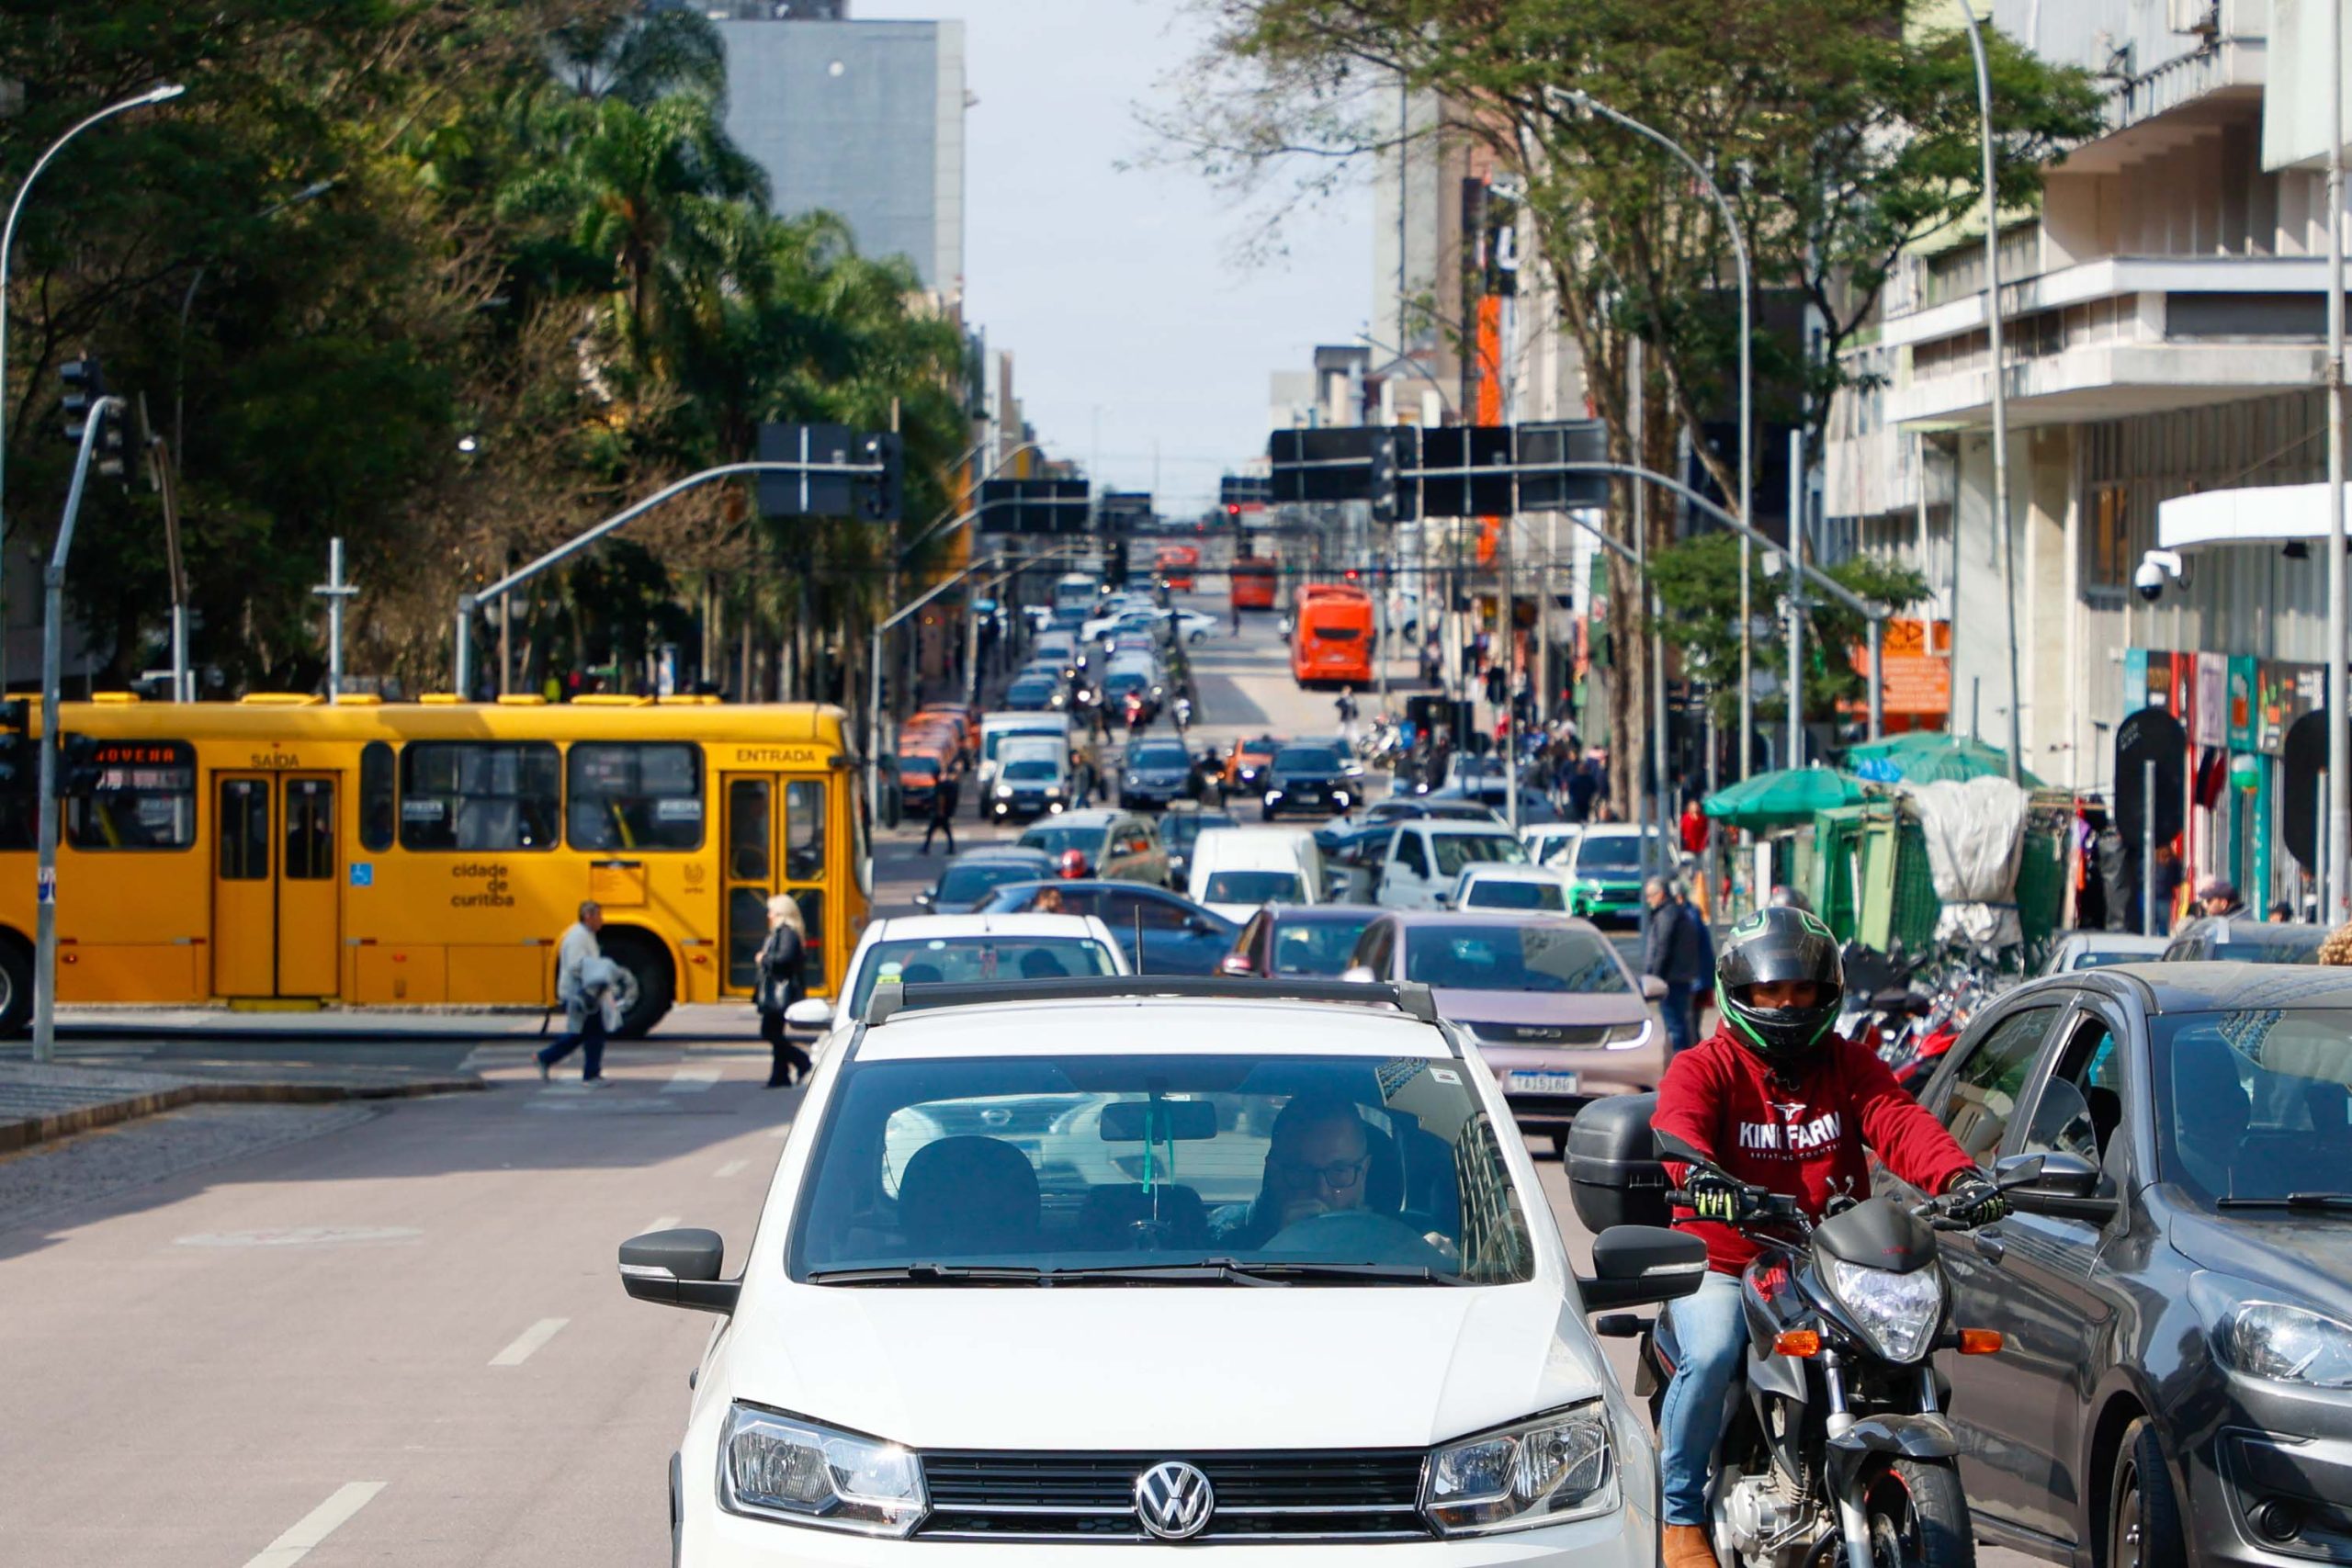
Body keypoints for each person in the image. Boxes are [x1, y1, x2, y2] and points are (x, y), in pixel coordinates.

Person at [1649, 908, 2005, 1568]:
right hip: (1726, 1258)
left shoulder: (1849, 1064)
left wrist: (1960, 1177)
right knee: (1714, 1351)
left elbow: (1898, 1120)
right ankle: (1680, 1518)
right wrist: (1701, 1178)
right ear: (1739, 992)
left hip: (1828, 1261)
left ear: (1827, 993)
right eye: (1769, 991)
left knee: (1906, 1349)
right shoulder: (1707, 1065)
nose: (1787, 1004)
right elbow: (1679, 1127)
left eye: (1801, 990)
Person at [1209, 1095, 1371, 1248]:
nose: (1321, 1191)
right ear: (1272, 1172)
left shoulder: (1385, 1247)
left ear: (1364, 1171)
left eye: (1339, 1171)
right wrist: (1283, 1244)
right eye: (1302, 1171)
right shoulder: (1227, 1240)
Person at [537, 900, 611, 1084]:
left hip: (586, 994)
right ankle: (590, 1075)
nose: (602, 920)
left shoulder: (585, 935)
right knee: (593, 1034)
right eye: (599, 916)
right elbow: (575, 965)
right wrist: (598, 973)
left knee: (582, 1033)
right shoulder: (578, 936)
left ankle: (546, 1058)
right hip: (579, 995)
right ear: (588, 916)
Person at [1642, 878, 1713, 1059]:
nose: (1648, 900)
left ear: (1661, 894)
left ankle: (1683, 1063)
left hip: (1673, 979)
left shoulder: (1669, 915)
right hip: (1684, 977)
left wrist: (1655, 978)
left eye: (1650, 895)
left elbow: (1663, 948)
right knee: (1683, 1025)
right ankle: (1691, 1060)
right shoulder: (1678, 913)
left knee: (1677, 1027)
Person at [754, 895, 812, 1089]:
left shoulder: (786, 932)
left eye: (771, 912)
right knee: (775, 1031)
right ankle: (780, 1075)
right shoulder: (782, 932)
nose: (769, 916)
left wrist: (763, 959)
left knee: (769, 1031)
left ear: (781, 913)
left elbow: (784, 959)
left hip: (781, 992)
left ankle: (801, 1061)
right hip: (779, 991)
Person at [921, 765, 959, 855]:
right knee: (945, 831)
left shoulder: (940, 786)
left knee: (932, 831)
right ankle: (950, 848)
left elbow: (941, 798)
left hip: (940, 813)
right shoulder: (943, 784)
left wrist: (940, 811)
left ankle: (926, 848)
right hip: (944, 812)